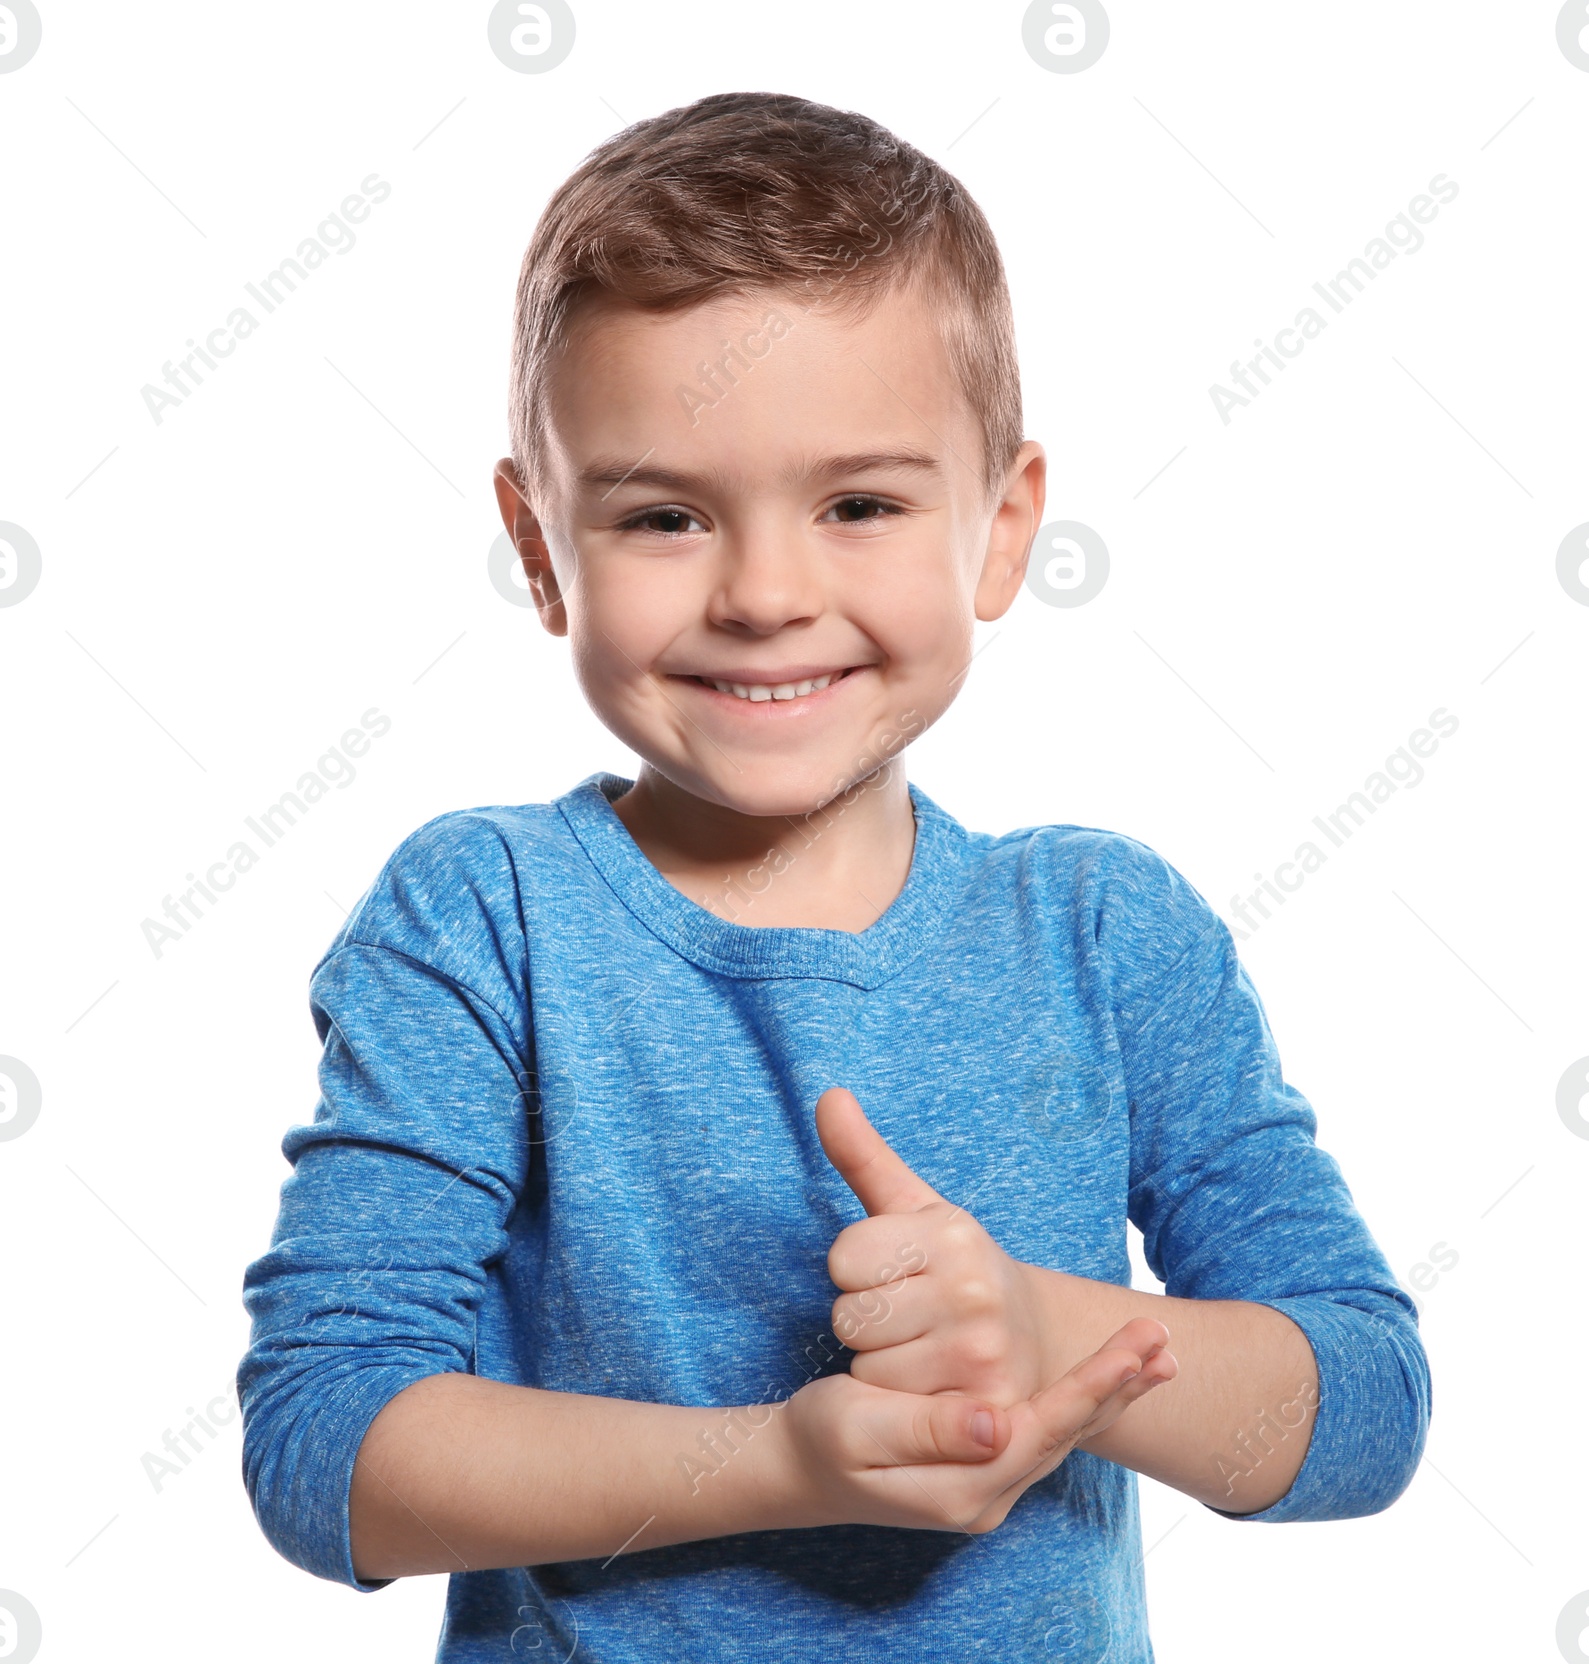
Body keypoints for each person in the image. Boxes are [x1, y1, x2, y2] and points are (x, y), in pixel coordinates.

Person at [237, 90, 1430, 1663]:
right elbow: (325, 1450)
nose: (766, 595)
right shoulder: (486, 919)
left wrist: (1043, 1321)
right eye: (665, 515)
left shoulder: (1107, 933)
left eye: (858, 505)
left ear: (1001, 531)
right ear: (542, 552)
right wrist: (774, 1466)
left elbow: (1360, 1411)